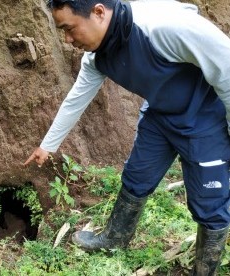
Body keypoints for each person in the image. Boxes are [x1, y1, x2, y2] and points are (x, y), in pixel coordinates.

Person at [23, 0, 230, 274]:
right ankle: (114, 238)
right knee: (136, 177)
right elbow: (76, 100)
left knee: (210, 203)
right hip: (160, 116)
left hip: (206, 119)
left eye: (70, 29)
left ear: (98, 12)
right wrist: (47, 145)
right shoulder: (97, 56)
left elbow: (227, 69)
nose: (67, 39)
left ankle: (205, 270)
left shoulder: (165, 27)